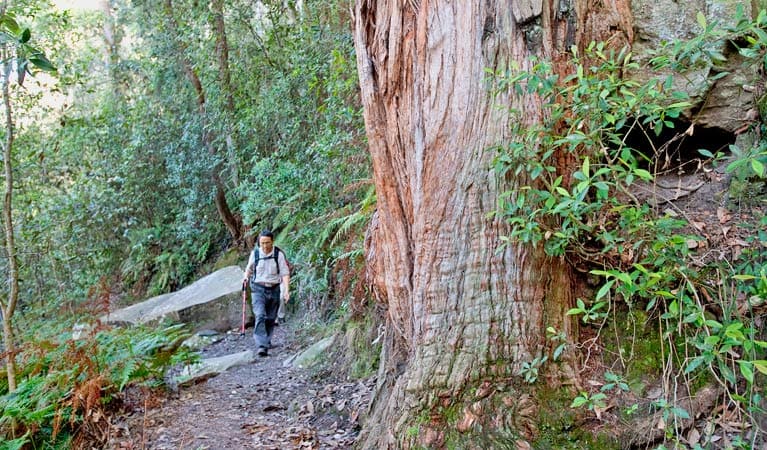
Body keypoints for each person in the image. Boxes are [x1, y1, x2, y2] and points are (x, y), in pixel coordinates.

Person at [243, 229, 290, 356]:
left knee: (270, 318)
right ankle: (261, 346)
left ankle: (267, 340)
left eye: (267, 243)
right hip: (258, 289)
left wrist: (286, 290)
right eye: (262, 243)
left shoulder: (278, 254)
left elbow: (285, 273)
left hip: (274, 288)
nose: (264, 246)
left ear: (272, 241)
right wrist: (246, 277)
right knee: (260, 315)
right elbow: (249, 269)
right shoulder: (255, 254)